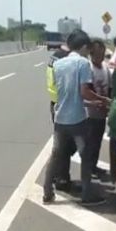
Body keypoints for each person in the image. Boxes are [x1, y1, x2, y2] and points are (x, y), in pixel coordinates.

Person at [43, 30, 110, 206]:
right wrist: (103, 100)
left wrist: (89, 103)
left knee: (56, 155)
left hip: (59, 119)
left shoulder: (58, 64)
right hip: (77, 121)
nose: (89, 52)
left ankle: (47, 192)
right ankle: (87, 195)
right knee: (86, 156)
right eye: (88, 48)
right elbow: (84, 92)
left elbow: (66, 94)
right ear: (83, 47)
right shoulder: (83, 64)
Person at [45, 38, 77, 191]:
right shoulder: (66, 58)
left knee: (64, 144)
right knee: (65, 145)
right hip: (64, 104)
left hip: (55, 102)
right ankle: (60, 178)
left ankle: (58, 176)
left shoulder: (56, 55)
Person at [85, 39, 112, 179]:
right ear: (91, 53)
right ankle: (87, 169)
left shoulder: (106, 68)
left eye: (102, 53)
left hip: (101, 113)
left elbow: (110, 89)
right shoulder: (88, 68)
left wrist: (109, 104)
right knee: (89, 143)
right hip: (89, 113)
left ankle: (93, 166)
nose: (100, 56)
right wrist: (100, 101)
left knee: (97, 142)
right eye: (97, 53)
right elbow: (87, 90)